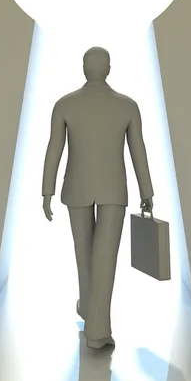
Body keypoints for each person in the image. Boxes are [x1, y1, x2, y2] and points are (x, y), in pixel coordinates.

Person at [41, 46, 154, 349]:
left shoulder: (65, 104)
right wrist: (147, 190)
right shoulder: (127, 106)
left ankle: (89, 312)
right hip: (114, 189)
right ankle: (97, 331)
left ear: (83, 68)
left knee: (84, 253)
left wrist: (47, 189)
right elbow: (137, 151)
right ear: (108, 69)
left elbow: (54, 149)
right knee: (105, 258)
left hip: (75, 187)